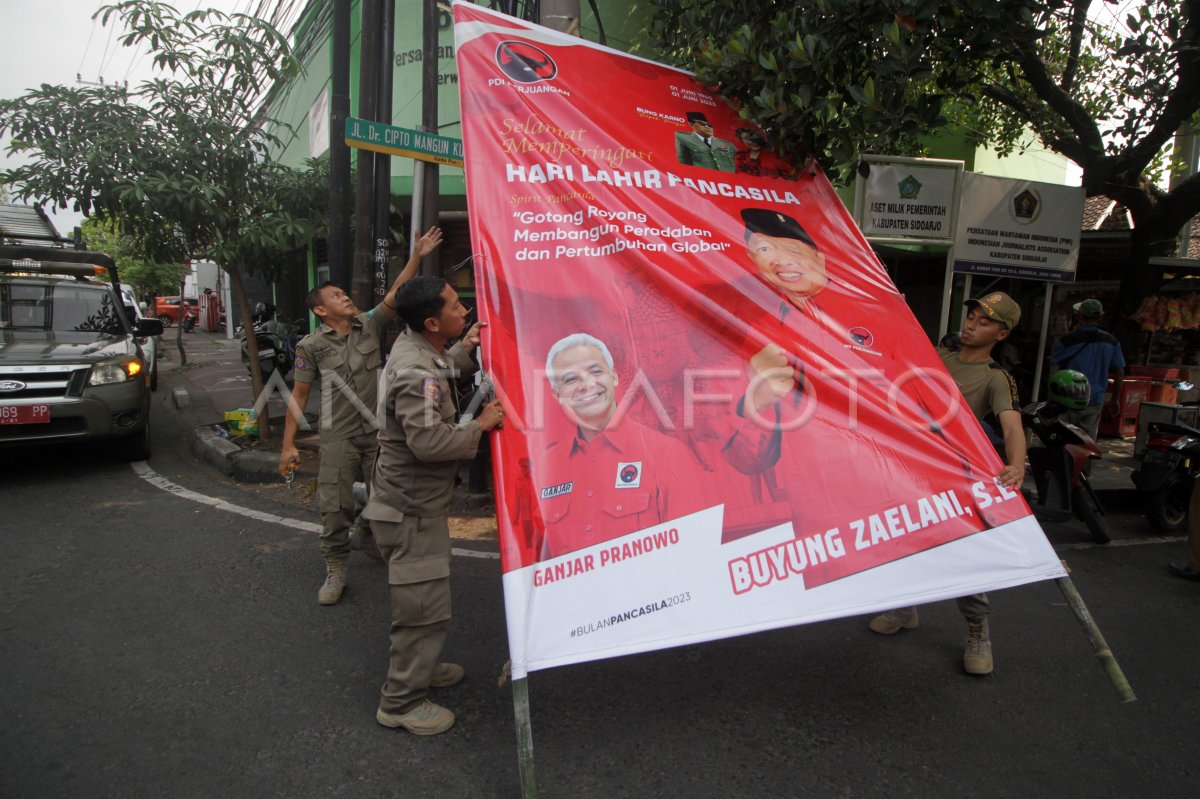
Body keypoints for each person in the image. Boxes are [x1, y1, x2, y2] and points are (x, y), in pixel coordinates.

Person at [363, 275, 503, 735]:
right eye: (454, 306)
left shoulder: (421, 348)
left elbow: (442, 370)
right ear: (430, 320)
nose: (464, 310)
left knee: (428, 599)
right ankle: (401, 702)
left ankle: (422, 669)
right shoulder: (416, 373)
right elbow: (429, 443)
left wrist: (463, 349)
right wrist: (480, 424)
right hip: (409, 512)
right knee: (422, 609)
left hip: (415, 503)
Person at [278, 227, 444, 606]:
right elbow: (299, 395)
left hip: (379, 431)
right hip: (338, 435)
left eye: (343, 292)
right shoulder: (311, 347)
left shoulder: (368, 324)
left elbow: (395, 295)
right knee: (335, 507)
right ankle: (336, 565)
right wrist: (287, 446)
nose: (345, 297)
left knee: (386, 497)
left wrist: (417, 255)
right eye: (336, 296)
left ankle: (370, 534)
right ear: (321, 310)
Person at [869, 292, 1026, 677]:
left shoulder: (995, 377)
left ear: (1001, 334)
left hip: (958, 478)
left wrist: (1017, 464)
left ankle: (978, 629)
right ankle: (905, 606)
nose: (971, 324)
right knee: (905, 538)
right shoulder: (938, 355)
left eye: (984, 321)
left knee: (962, 553)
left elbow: (1012, 425)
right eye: (971, 316)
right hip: (911, 466)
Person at [536, 332, 705, 559]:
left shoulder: (668, 454)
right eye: (570, 379)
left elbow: (692, 553)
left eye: (596, 371)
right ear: (557, 395)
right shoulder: (544, 468)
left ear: (614, 377)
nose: (587, 384)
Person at [1050, 298, 1125, 440]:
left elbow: (1054, 364)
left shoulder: (1068, 340)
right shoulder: (1112, 341)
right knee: (1087, 442)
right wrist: (1115, 399)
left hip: (1067, 398)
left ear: (1079, 316)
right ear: (1101, 317)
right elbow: (1119, 372)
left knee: (1062, 439)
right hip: (1095, 399)